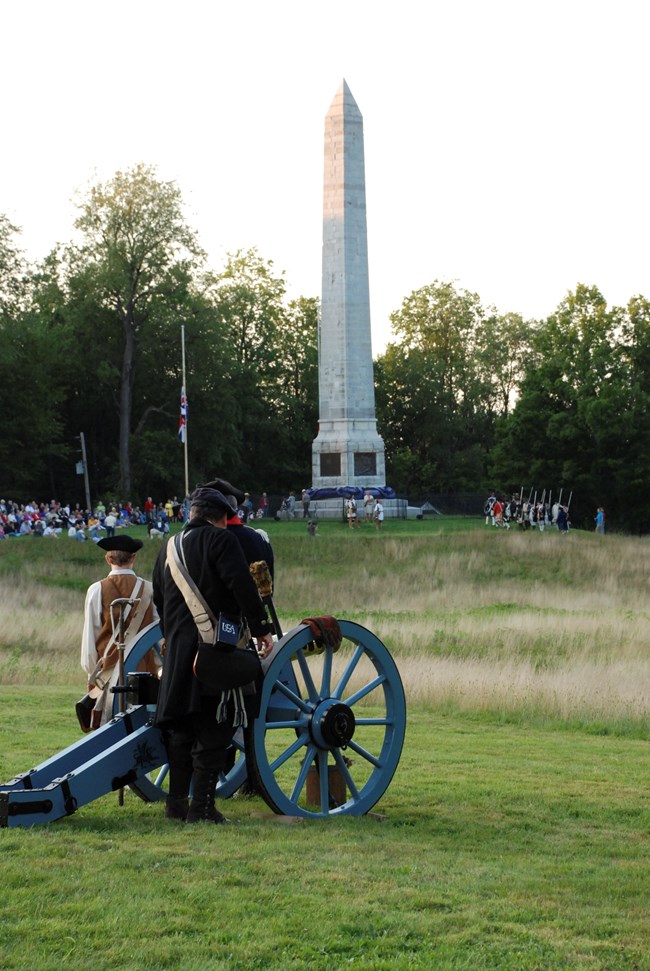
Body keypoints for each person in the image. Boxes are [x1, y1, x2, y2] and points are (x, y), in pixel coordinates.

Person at [152, 487, 274, 824]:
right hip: (215, 650)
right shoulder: (222, 541)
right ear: (221, 517)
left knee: (182, 730)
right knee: (216, 726)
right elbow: (241, 586)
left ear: (191, 514)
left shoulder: (168, 547)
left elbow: (160, 601)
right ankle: (202, 808)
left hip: (179, 652)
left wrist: (174, 638)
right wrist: (262, 627)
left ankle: (176, 803)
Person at [80, 535, 159, 730]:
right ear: (133, 558)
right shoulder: (150, 590)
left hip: (107, 674)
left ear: (108, 559)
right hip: (144, 675)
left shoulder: (96, 589)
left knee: (107, 731)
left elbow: (91, 635)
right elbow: (158, 637)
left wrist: (93, 673)